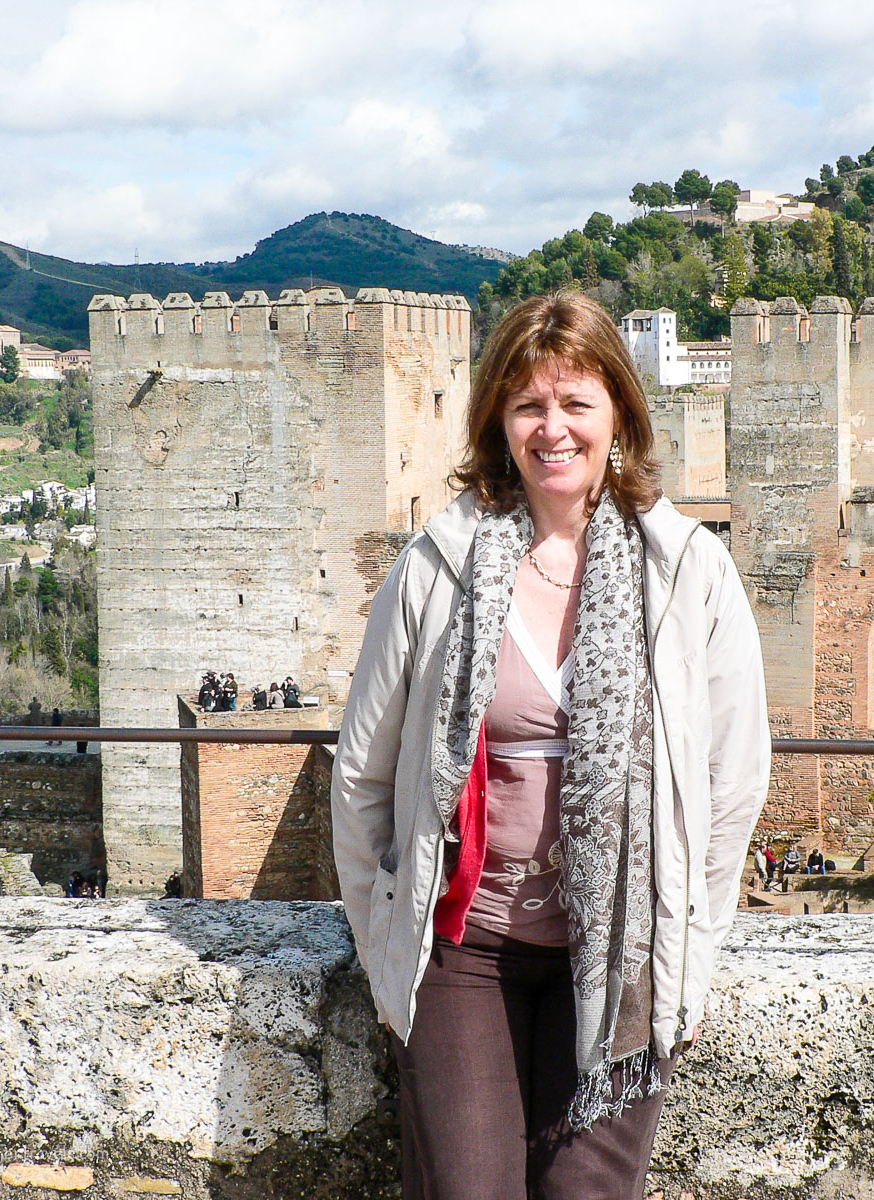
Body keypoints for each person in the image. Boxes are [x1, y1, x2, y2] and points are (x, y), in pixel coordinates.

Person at [330, 291, 770, 1200]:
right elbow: (364, 776)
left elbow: (732, 789)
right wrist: (386, 951)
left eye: (577, 403)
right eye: (530, 405)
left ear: (620, 415)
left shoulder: (687, 570)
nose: (553, 429)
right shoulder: (437, 565)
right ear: (498, 417)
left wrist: (692, 956)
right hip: (465, 948)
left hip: (622, 954)